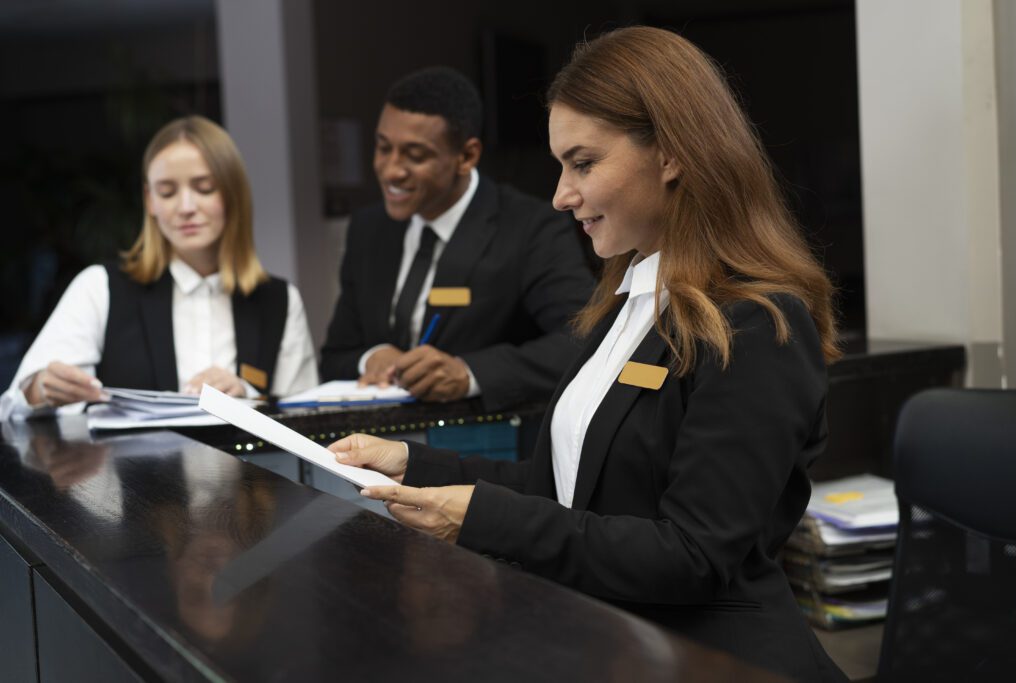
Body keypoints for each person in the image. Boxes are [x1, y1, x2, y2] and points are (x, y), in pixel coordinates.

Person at [328, 27, 847, 682]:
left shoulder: (757, 325)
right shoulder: (622, 305)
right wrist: (412, 463)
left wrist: (477, 517)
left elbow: (689, 555)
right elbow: (562, 490)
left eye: (583, 163)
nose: (560, 194)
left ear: (671, 154)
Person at [0, 116, 318, 421]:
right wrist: (41, 388)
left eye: (204, 188)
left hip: (253, 478)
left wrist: (249, 396)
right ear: (150, 200)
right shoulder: (100, 287)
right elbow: (14, 404)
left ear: (233, 194)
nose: (186, 207)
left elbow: (309, 417)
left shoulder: (279, 300)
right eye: (167, 192)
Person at [319, 67, 594, 411]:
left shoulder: (530, 227)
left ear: (466, 156)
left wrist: (468, 373)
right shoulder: (367, 228)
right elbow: (334, 356)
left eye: (415, 156)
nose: (391, 170)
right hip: (374, 448)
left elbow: (583, 339)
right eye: (383, 147)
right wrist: (372, 358)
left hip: (484, 446)